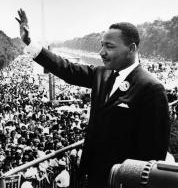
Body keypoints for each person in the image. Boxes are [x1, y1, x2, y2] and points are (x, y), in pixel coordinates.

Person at [16, 9, 170, 188]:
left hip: (121, 181)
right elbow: (67, 69)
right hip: (92, 176)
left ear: (132, 48)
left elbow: (153, 153)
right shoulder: (101, 73)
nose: (102, 52)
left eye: (109, 46)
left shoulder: (151, 88)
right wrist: (29, 42)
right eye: (102, 45)